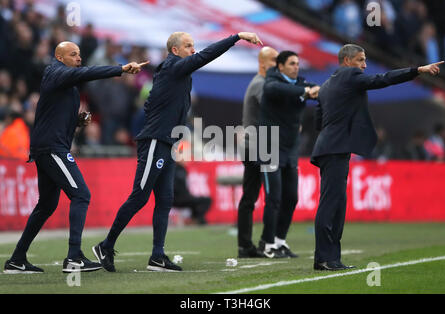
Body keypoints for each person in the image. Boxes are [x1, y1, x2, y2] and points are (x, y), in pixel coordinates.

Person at [93, 31, 263, 272]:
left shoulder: (176, 74)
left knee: (165, 200)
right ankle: (106, 245)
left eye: (193, 45)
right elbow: (206, 56)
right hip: (155, 141)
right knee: (140, 196)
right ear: (175, 50)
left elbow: (151, 102)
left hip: (167, 142)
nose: (193, 50)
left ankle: (157, 256)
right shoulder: (174, 67)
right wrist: (236, 37)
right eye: (188, 46)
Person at [3, 41, 147, 274]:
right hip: (51, 149)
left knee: (46, 205)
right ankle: (73, 257)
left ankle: (17, 259)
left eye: (79, 54)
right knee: (81, 194)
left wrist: (78, 121)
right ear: (60, 57)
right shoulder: (55, 73)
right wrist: (120, 69)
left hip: (48, 147)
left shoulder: (66, 84)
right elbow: (88, 72)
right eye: (73, 54)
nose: (79, 58)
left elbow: (51, 116)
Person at [311, 44, 444, 271]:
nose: (364, 65)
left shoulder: (325, 86)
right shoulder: (350, 75)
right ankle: (325, 258)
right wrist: (417, 70)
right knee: (331, 204)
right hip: (335, 149)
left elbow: (318, 122)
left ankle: (330, 258)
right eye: (361, 60)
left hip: (328, 148)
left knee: (335, 203)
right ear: (347, 61)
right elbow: (383, 79)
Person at [257, 51, 320, 258]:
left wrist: (314, 90)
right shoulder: (272, 82)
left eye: (298, 63)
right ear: (281, 66)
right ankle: (266, 244)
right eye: (292, 63)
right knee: (273, 198)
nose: (296, 67)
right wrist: (305, 91)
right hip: (269, 147)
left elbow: (315, 89)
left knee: (291, 198)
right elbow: (277, 90)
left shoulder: (301, 83)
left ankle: (279, 241)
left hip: (289, 149)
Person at [237, 46, 278, 258]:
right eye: (273, 61)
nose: (277, 65)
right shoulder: (261, 85)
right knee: (272, 195)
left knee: (250, 196)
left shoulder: (259, 83)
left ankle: (245, 245)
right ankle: (268, 243)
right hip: (259, 147)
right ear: (262, 64)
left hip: (251, 145)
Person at [173, 161, 211, 225]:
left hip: (183, 197)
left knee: (203, 201)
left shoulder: (183, 169)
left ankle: (196, 219)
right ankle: (197, 219)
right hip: (176, 198)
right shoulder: (174, 169)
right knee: (204, 201)